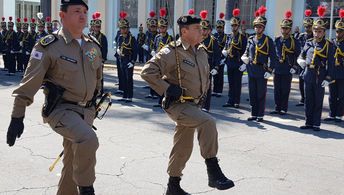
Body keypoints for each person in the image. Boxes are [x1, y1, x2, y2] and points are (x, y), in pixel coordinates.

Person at [6, 0, 103, 194]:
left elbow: (97, 77)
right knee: (88, 139)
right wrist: (17, 116)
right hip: (61, 110)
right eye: (77, 11)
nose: (83, 15)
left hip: (86, 111)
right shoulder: (49, 46)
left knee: (71, 158)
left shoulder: (92, 46)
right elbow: (29, 83)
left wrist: (94, 102)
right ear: (63, 16)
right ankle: (87, 189)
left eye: (85, 11)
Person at [141, 11, 235, 195]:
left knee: (182, 146)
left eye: (202, 28)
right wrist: (166, 88)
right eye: (197, 28)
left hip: (194, 105)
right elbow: (147, 71)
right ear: (184, 32)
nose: (202, 31)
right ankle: (213, 171)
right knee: (208, 122)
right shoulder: (171, 52)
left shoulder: (201, 51)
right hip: (178, 105)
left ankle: (173, 186)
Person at [297, 6, 335, 131]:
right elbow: (301, 55)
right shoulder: (308, 43)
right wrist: (300, 61)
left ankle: (316, 123)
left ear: (324, 32)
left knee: (318, 100)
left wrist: (328, 78)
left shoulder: (328, 45)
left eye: (319, 31)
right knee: (308, 100)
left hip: (320, 75)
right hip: (308, 73)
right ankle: (308, 122)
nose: (317, 33)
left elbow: (331, 63)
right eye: (315, 30)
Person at [241, 6, 277, 122]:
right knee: (252, 93)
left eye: (260, 27)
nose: (257, 29)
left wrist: (270, 70)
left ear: (263, 28)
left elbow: (273, 57)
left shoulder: (268, 40)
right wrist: (244, 58)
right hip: (251, 69)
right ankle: (253, 113)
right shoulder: (251, 39)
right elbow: (246, 52)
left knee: (260, 93)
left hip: (262, 70)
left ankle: (260, 114)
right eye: (256, 26)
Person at [271, 10, 301, 115]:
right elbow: (274, 54)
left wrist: (295, 66)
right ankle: (277, 107)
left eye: (286, 28)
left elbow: (298, 55)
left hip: (288, 68)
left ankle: (283, 108)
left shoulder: (294, 41)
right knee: (277, 90)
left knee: (285, 90)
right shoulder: (277, 40)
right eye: (283, 28)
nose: (284, 30)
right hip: (278, 68)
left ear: (290, 29)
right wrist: (272, 66)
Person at [222, 8, 247, 108]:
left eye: (235, 25)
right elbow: (226, 47)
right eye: (232, 25)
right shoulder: (229, 36)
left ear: (238, 26)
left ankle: (236, 101)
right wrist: (224, 52)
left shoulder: (243, 38)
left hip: (238, 62)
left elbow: (246, 51)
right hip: (230, 62)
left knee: (237, 83)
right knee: (231, 82)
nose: (233, 27)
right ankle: (230, 100)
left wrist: (244, 64)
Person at [324, 9, 344, 123]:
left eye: (340, 31)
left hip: (342, 73)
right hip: (332, 73)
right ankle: (332, 114)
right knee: (332, 95)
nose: (338, 33)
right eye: (337, 31)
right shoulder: (331, 43)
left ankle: (339, 115)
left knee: (341, 96)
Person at [150, 7, 173, 107]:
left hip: (166, 63)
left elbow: (172, 51)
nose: (162, 29)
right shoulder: (157, 37)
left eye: (163, 27)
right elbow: (155, 46)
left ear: (166, 28)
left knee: (166, 82)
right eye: (160, 27)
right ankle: (160, 100)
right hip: (158, 62)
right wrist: (153, 52)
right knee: (159, 81)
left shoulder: (170, 38)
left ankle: (167, 100)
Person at [200, 10, 221, 112]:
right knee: (198, 86)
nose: (203, 31)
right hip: (197, 66)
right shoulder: (196, 39)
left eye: (205, 29)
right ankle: (198, 104)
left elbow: (217, 55)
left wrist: (216, 67)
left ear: (209, 30)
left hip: (208, 66)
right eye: (202, 29)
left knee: (207, 88)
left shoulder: (213, 40)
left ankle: (205, 106)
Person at [115, 11, 137, 102]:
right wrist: (118, 51)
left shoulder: (132, 38)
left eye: (124, 28)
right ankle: (124, 95)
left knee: (129, 79)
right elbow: (119, 46)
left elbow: (135, 51)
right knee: (123, 78)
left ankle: (130, 96)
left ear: (128, 28)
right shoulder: (120, 37)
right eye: (121, 28)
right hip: (122, 59)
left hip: (128, 59)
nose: (123, 30)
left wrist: (132, 61)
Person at [296, 9, 314, 107]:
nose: (307, 28)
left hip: (311, 62)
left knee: (309, 81)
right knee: (301, 81)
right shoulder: (301, 36)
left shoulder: (315, 36)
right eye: (306, 26)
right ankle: (303, 98)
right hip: (301, 61)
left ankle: (309, 99)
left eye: (309, 26)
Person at [90, 11, 108, 96]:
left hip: (100, 59)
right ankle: (93, 90)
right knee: (92, 76)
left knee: (100, 76)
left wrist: (103, 60)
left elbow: (105, 49)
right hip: (92, 58)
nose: (97, 28)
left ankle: (100, 91)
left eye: (99, 27)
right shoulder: (90, 36)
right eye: (96, 26)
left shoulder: (103, 37)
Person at [213, 12, 227, 97]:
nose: (219, 29)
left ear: (223, 28)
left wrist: (224, 58)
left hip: (221, 58)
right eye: (218, 27)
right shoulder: (214, 36)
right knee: (214, 75)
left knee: (220, 75)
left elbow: (227, 47)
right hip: (215, 58)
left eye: (220, 27)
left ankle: (219, 91)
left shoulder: (226, 37)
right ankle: (214, 90)